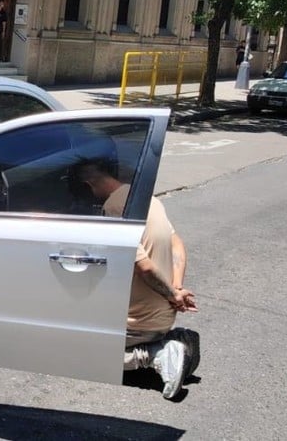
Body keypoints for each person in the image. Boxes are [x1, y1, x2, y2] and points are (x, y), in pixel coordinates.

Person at [71, 159, 200, 400]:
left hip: (139, 321)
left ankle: (156, 353)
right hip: (162, 313)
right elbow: (177, 245)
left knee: (74, 349)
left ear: (89, 185)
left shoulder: (113, 209)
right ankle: (169, 339)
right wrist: (177, 290)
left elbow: (145, 268)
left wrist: (172, 295)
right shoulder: (149, 200)